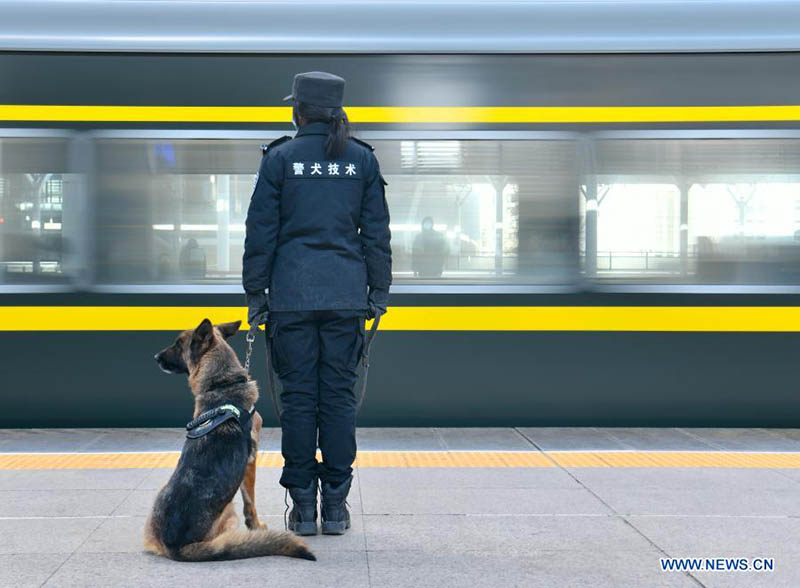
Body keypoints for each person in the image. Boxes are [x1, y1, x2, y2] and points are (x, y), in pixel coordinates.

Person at [243, 71, 392, 536]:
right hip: (346, 297)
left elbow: (260, 233)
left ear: (298, 110)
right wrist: (378, 293)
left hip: (290, 298)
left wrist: (256, 294)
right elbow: (377, 235)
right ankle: (337, 507)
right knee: (339, 400)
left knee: (300, 400)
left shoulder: (280, 158)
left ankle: (303, 508)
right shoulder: (361, 160)